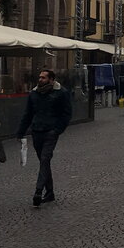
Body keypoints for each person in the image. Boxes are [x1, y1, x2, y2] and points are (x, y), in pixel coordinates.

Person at [17, 68, 73, 207]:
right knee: (44, 162)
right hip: (37, 130)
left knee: (45, 158)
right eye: (40, 77)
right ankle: (50, 193)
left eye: (43, 77)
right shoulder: (34, 94)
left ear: (51, 79)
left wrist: (57, 130)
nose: (40, 79)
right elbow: (28, 113)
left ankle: (38, 191)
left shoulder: (61, 93)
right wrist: (21, 131)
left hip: (51, 131)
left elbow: (67, 113)